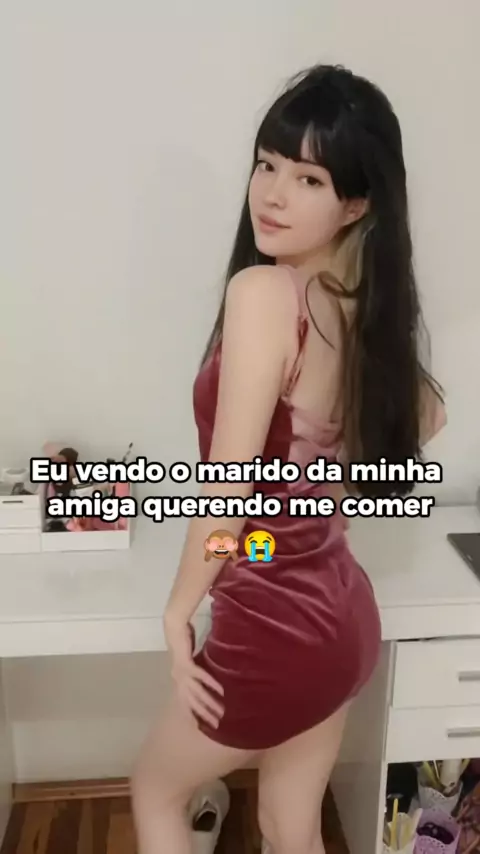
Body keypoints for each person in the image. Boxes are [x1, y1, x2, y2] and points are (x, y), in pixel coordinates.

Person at [131, 62, 447, 854]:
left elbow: (228, 492)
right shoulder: (358, 313)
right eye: (267, 165)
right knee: (289, 824)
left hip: (275, 626)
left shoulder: (264, 296)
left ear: (356, 204)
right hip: (340, 618)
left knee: (157, 792)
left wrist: (177, 612)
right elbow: (428, 416)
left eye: (308, 179)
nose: (271, 194)